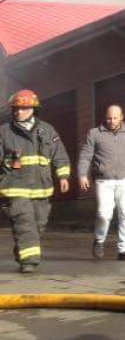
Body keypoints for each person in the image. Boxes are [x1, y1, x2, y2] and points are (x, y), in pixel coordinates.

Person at [0, 90, 71, 273]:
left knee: (38, 225)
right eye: (15, 109)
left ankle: (22, 251)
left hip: (41, 189)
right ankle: (29, 262)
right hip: (15, 188)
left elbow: (60, 154)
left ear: (33, 108)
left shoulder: (47, 130)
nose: (18, 112)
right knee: (25, 224)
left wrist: (63, 176)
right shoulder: (4, 132)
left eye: (22, 109)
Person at [77, 103, 125, 261]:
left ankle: (124, 250)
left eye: (115, 118)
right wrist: (82, 174)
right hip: (104, 180)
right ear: (105, 117)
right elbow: (86, 155)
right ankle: (99, 240)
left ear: (121, 117)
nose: (111, 121)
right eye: (109, 118)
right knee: (104, 214)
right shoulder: (95, 133)